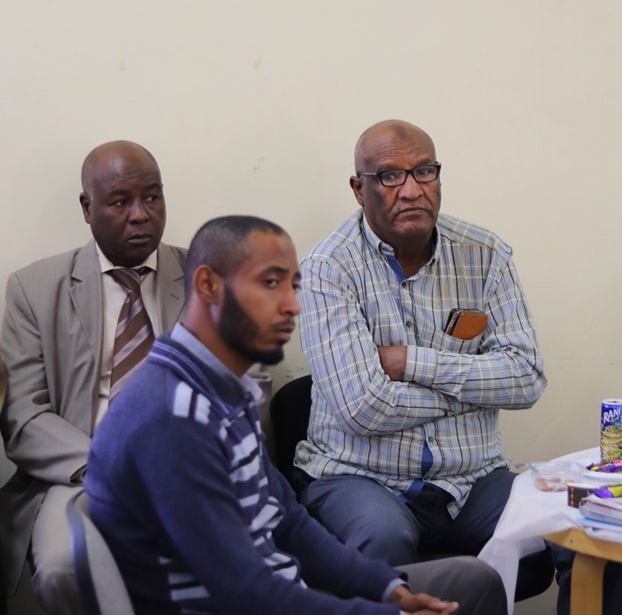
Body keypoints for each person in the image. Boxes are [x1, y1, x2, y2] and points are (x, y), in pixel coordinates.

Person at [84, 215, 507, 615]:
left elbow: (287, 522)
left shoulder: (222, 391)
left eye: (293, 286)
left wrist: (388, 589)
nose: (292, 305)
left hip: (279, 590)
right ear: (208, 286)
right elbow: (244, 591)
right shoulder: (171, 416)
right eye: (270, 283)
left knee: (476, 580)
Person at [294, 119, 622, 613]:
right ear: (359, 189)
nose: (412, 190)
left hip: (471, 480)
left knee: (589, 518)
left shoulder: (485, 255)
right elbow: (364, 407)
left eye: (424, 171)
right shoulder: (328, 267)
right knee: (383, 539)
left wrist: (410, 362)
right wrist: (472, 390)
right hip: (361, 476)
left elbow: (526, 378)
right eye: (390, 176)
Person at [0, 140, 187, 614]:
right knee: (64, 565)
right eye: (120, 202)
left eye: (152, 196)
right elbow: (24, 415)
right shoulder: (33, 289)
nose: (141, 215)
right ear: (87, 208)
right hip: (79, 472)